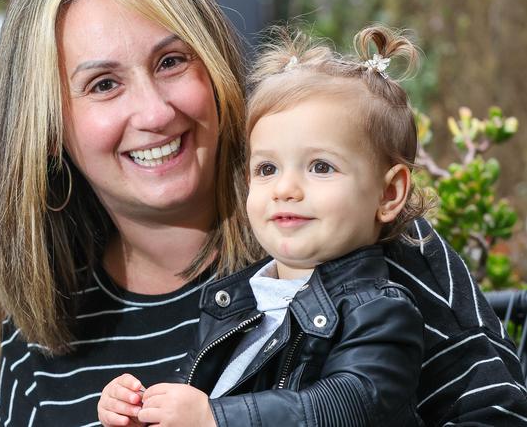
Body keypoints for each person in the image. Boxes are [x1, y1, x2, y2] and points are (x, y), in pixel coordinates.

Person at [0, 0, 527, 426]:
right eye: (104, 84)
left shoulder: (357, 239)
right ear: (46, 126)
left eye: (171, 62)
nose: (155, 112)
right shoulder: (43, 328)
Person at [98, 25, 428, 426]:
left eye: (321, 167)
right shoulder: (241, 302)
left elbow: (348, 405)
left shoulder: (379, 309)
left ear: (388, 194)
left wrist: (214, 418)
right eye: (267, 168)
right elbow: (207, 397)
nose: (285, 189)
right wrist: (145, 410)